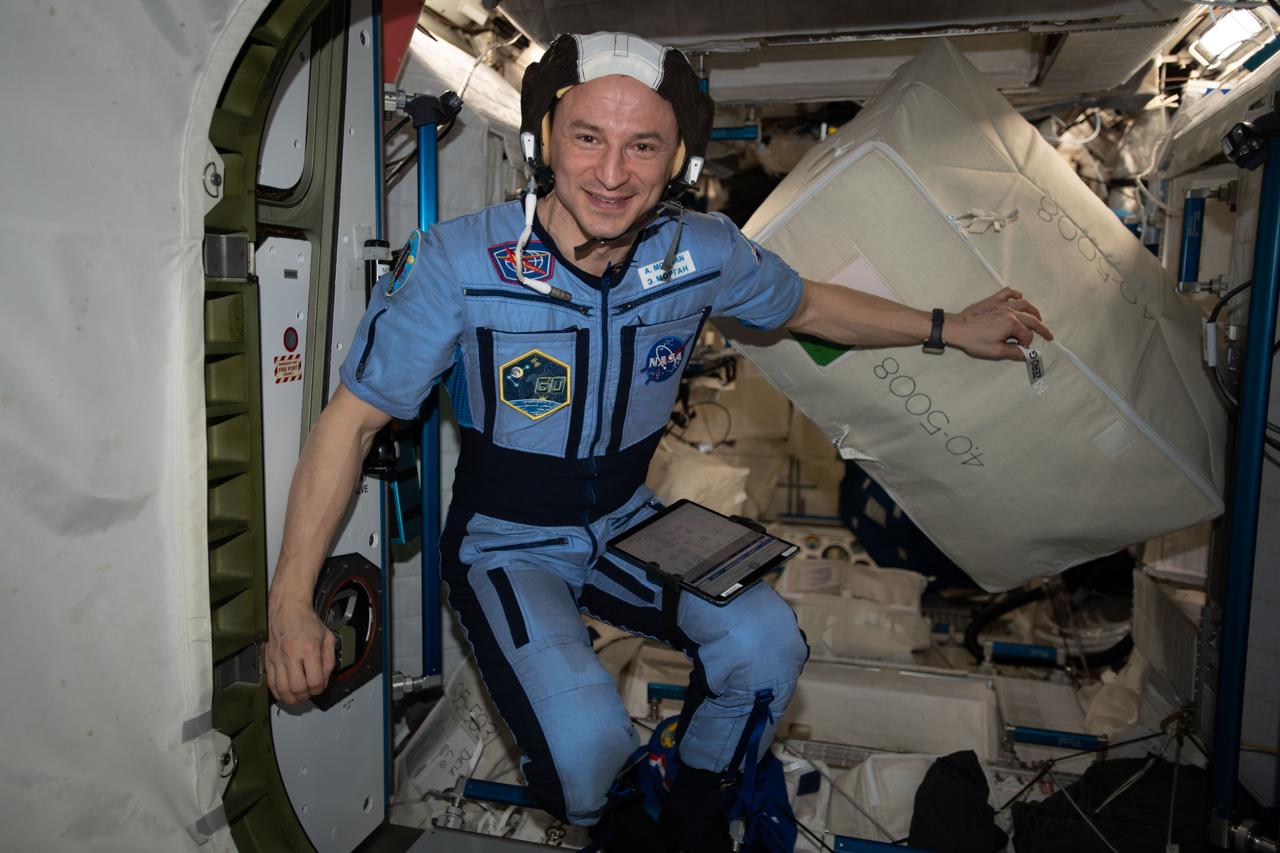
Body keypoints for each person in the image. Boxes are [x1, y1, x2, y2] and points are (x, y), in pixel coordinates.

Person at [264, 30, 1052, 849]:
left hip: (626, 518)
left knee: (765, 647)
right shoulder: (460, 263)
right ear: (544, 139)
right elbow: (347, 424)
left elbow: (809, 306)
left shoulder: (701, 252)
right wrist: (291, 602)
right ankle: (620, 808)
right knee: (586, 760)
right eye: (588, 138)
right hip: (506, 541)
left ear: (678, 158)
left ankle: (689, 806)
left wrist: (950, 326)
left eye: (644, 146)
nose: (612, 175)